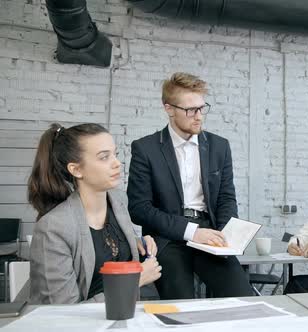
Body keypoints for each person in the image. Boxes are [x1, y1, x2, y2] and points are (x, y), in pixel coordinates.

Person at [127, 72, 252, 299]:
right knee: (182, 306)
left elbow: (226, 197)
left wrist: (226, 234)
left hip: (209, 232)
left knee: (242, 297)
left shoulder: (219, 146)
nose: (199, 117)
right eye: (190, 110)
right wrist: (192, 232)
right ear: (169, 109)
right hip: (168, 238)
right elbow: (139, 209)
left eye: (202, 108)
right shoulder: (145, 149)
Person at [27, 123, 161, 304]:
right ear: (76, 169)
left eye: (115, 154)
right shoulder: (53, 228)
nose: (117, 163)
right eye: (104, 157)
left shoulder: (119, 202)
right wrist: (135, 280)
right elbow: (63, 312)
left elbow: (105, 247)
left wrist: (136, 243)